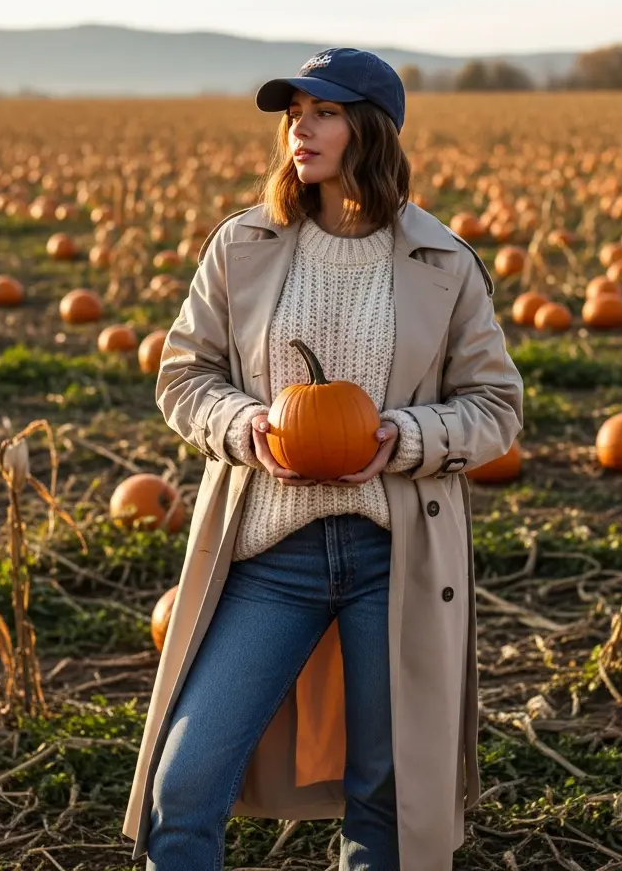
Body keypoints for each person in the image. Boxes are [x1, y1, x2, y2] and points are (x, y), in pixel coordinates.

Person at [122, 47, 524, 871]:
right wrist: (249, 426)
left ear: (369, 130)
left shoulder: (443, 262)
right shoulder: (244, 244)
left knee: (384, 797)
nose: (300, 127)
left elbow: (496, 408)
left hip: (394, 557)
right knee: (184, 784)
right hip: (271, 555)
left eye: (325, 111)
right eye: (293, 112)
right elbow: (184, 376)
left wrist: (402, 439)